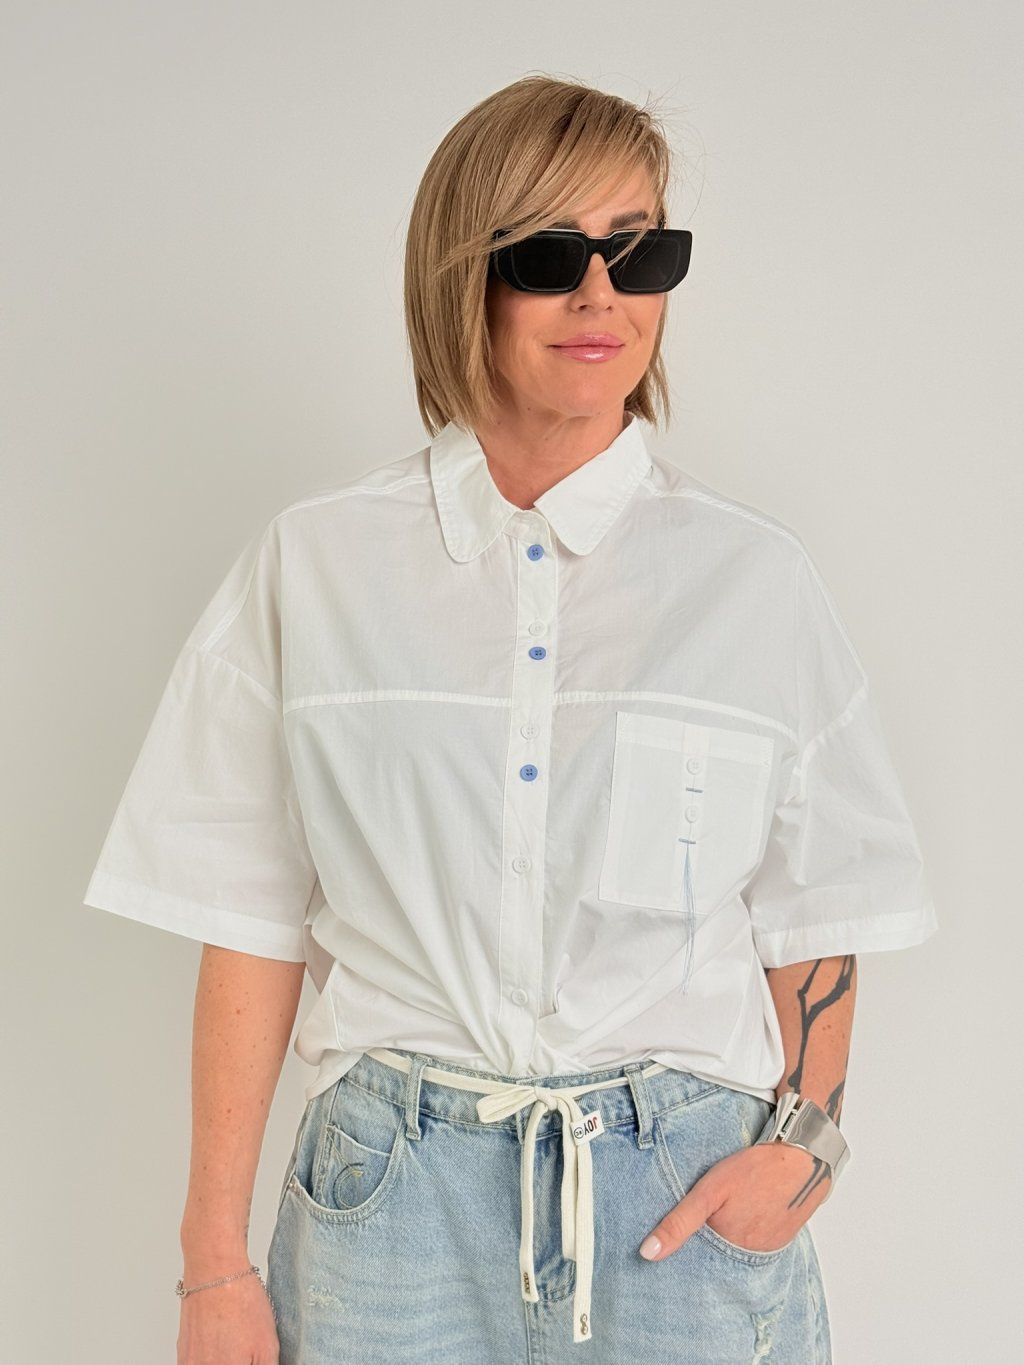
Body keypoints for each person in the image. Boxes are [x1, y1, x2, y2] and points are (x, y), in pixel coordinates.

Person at [82, 75, 938, 1364]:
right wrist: (213, 1265)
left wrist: (801, 1154)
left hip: (682, 1202)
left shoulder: (753, 582)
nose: (602, 296)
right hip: (392, 1210)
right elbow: (245, 919)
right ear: (462, 278)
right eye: (548, 256)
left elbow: (822, 906)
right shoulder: (315, 567)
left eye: (640, 252)